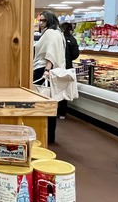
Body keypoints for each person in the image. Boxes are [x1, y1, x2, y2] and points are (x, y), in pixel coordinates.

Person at [33, 10, 66, 143]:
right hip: (54, 71)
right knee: (51, 104)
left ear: (50, 20)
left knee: (43, 103)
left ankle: (44, 135)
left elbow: (50, 53)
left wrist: (47, 70)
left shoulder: (50, 33)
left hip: (44, 70)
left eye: (43, 20)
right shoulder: (58, 33)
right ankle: (49, 135)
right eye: (39, 20)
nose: (40, 23)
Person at [58, 22, 80, 119]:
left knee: (54, 88)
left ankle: (52, 111)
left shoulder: (58, 38)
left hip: (57, 66)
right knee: (64, 90)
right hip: (67, 67)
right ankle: (62, 113)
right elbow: (75, 54)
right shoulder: (72, 39)